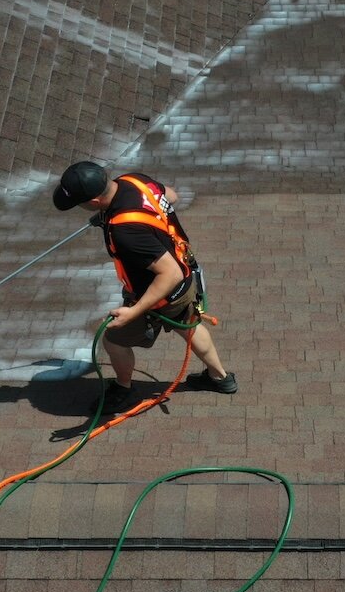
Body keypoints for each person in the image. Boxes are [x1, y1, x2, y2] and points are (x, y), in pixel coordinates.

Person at [52, 161, 236, 414]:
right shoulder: (133, 181)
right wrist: (109, 216)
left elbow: (167, 274)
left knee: (114, 341)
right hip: (185, 280)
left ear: (94, 201)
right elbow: (170, 195)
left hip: (158, 294)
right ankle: (221, 378)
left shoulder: (125, 231)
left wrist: (134, 311)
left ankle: (124, 390)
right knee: (190, 327)